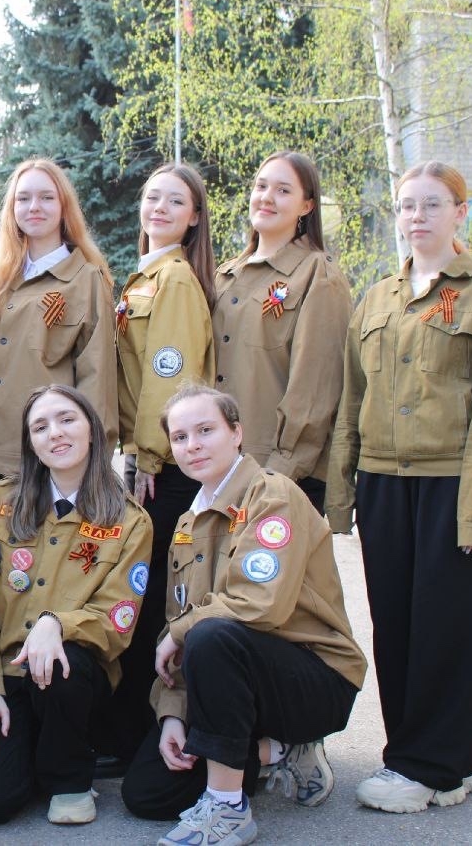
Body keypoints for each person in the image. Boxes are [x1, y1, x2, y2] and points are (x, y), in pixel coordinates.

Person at [327, 161, 472, 814]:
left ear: (460, 213)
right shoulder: (377, 298)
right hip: (384, 482)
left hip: (451, 483)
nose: (417, 216)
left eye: (433, 204)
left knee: (451, 625)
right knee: (397, 627)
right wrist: (342, 495)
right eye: (408, 205)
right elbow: (352, 400)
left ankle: (432, 767)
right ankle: (432, 757)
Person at [120, 384, 366, 846]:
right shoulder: (187, 525)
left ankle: (227, 808)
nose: (192, 445)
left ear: (236, 433)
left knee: (211, 634)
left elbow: (258, 604)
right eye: (180, 437)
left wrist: (178, 633)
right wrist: (172, 714)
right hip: (233, 679)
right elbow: (183, 624)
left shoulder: (272, 495)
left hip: (313, 677)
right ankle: (278, 752)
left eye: (205, 430)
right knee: (147, 792)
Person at [0, 384, 153, 826]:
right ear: (31, 443)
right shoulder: (4, 504)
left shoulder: (129, 519)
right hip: (7, 674)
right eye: (40, 427)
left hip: (73, 678)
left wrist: (57, 624)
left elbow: (117, 619)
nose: (55, 433)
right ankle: (24, 754)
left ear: (92, 430)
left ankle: (69, 780)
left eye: (66, 420)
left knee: (63, 665)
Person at [108, 162, 217, 766]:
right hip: (144, 456)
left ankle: (138, 735)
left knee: (151, 598)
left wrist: (148, 453)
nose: (159, 208)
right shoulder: (147, 275)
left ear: (194, 217)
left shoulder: (173, 280)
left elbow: (168, 375)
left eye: (175, 201)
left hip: (162, 463)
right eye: (152, 197)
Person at [212, 151, 351, 514]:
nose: (267, 197)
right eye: (261, 186)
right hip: (218, 464)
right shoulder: (225, 275)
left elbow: (316, 386)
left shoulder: (318, 275)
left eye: (283, 190)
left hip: (278, 472)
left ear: (307, 206)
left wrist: (280, 470)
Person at [0, 157, 117, 496]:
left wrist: (92, 461)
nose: (34, 207)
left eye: (46, 197)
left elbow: (97, 378)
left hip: (54, 460)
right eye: (23, 198)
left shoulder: (87, 279)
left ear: (63, 206)